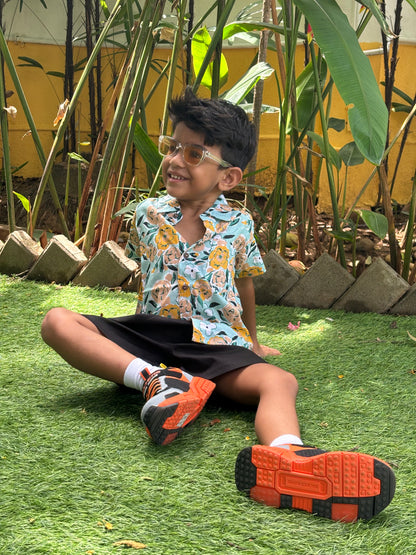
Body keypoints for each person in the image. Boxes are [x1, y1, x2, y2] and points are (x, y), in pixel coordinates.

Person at [41, 88, 395, 523]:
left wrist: (254, 343)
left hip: (213, 343)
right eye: (173, 147)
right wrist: (134, 340)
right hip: (150, 337)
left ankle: (288, 457)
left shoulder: (239, 222)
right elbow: (146, 276)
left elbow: (244, 284)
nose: (173, 160)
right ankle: (157, 382)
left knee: (279, 381)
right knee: (57, 320)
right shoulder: (147, 213)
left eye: (193, 153)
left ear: (228, 177)